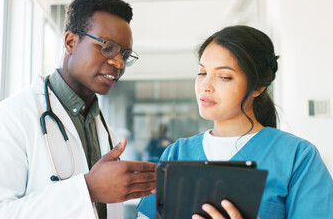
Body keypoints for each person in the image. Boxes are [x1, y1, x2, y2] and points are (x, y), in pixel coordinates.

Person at [0, 0, 156, 219]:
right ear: (70, 43)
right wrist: (88, 189)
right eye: (107, 47)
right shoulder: (10, 119)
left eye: (125, 54)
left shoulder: (107, 133)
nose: (118, 63)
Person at [136, 25, 333, 219]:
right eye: (202, 73)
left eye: (224, 76)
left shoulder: (297, 156)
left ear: (258, 86)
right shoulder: (176, 154)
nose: (205, 86)